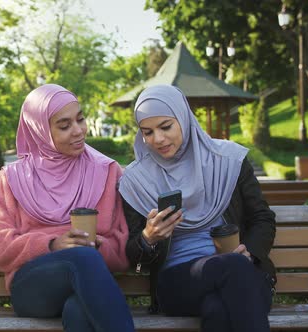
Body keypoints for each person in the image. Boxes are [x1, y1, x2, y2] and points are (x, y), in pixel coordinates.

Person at [118, 85, 276, 331]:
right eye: (147, 132)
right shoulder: (136, 181)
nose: (157, 139)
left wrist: (251, 253)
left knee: (217, 309)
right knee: (233, 268)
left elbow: (262, 218)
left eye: (166, 126)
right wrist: (148, 238)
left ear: (183, 118)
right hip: (179, 282)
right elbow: (134, 258)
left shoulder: (229, 161)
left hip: (241, 271)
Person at [0, 84, 135, 332]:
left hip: (91, 282)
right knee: (81, 259)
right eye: (64, 126)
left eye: (80, 119)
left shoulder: (105, 171)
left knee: (78, 311)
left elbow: (120, 242)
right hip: (33, 288)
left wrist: (98, 246)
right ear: (40, 130)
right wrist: (51, 244)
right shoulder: (12, 178)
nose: (78, 131)